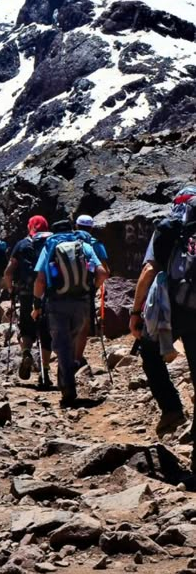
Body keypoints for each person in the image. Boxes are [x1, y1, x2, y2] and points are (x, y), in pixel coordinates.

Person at [130, 186, 196, 452]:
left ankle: (171, 409)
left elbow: (148, 270)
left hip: (174, 309)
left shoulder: (169, 229)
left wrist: (135, 312)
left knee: (149, 352)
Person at [32, 219, 107, 407]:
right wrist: (91, 289)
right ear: (72, 230)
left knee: (62, 344)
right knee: (71, 342)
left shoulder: (49, 246)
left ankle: (68, 386)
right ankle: (66, 379)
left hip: (56, 302)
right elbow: (102, 273)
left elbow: (40, 279)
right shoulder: (83, 246)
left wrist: (36, 304)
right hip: (81, 301)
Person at [4, 215, 52, 385]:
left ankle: (26, 352)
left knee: (26, 326)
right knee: (46, 330)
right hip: (48, 292)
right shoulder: (52, 242)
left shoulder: (22, 244)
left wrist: (10, 289)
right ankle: (45, 371)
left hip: (25, 292)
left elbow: (9, 271)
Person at [74, 214, 110, 365]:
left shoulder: (65, 241)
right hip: (86, 288)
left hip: (61, 288)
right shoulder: (95, 243)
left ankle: (64, 354)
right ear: (92, 228)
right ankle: (77, 358)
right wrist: (94, 286)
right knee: (83, 324)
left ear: (76, 226)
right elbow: (105, 271)